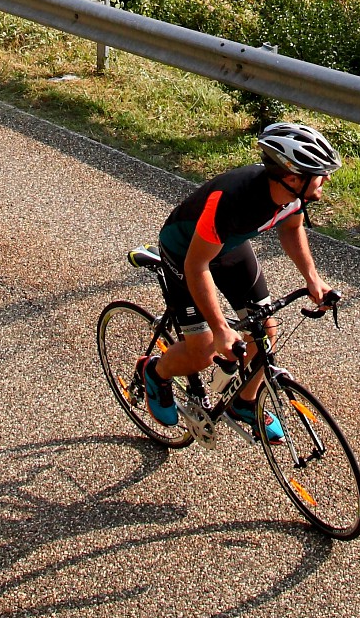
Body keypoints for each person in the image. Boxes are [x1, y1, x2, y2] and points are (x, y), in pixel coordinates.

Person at [137, 120, 342, 441]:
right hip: (185, 251)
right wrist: (220, 329)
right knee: (203, 351)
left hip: (227, 247)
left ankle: (243, 404)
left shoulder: (294, 195)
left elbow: (291, 229)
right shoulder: (234, 202)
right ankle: (156, 371)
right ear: (291, 177)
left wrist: (314, 280)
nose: (327, 179)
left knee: (264, 332)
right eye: (321, 173)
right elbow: (196, 266)